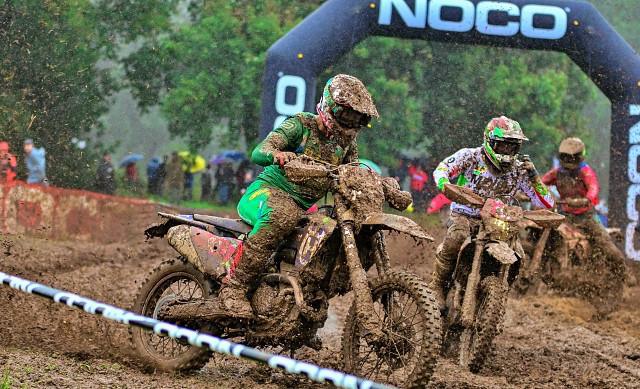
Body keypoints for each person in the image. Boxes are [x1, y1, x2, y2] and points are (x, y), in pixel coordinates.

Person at [218, 74, 379, 317]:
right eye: (347, 115)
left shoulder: (345, 145)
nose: (351, 122)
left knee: (329, 230)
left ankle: (304, 300)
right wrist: (278, 155)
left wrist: (377, 185)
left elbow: (353, 174)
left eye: (358, 118)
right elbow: (259, 151)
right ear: (330, 107)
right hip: (265, 193)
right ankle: (234, 288)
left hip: (302, 208)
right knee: (282, 215)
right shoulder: (301, 125)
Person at [430, 116, 555, 308]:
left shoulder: (520, 170)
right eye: (503, 145)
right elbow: (442, 168)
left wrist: (534, 176)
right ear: (490, 141)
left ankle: (496, 299)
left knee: (518, 256)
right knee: (457, 237)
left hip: (499, 221)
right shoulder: (470, 156)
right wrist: (444, 184)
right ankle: (438, 284)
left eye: (512, 147)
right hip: (466, 213)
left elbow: (546, 202)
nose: (508, 151)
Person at [541, 137, 627, 282]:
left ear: (579, 156)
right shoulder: (557, 172)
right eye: (565, 157)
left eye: (571, 157)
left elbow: (593, 188)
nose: (568, 160)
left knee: (604, 243)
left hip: (585, 216)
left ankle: (623, 271)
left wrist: (584, 200)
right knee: (545, 230)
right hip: (564, 215)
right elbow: (540, 183)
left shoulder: (585, 172)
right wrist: (530, 192)